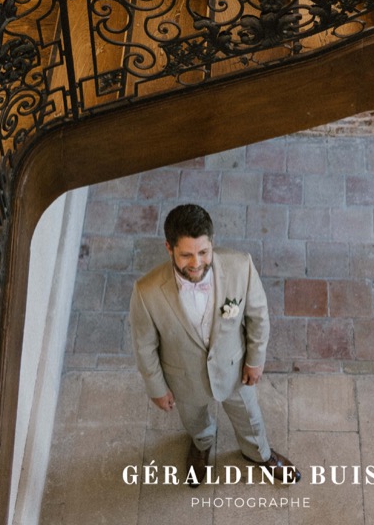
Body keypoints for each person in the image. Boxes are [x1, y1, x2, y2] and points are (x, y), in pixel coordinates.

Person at [129, 203, 300, 484]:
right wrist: (157, 387)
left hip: (235, 369)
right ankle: (201, 445)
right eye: (185, 255)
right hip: (183, 378)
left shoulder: (240, 266)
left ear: (212, 243)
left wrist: (255, 360)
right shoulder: (146, 292)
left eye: (203, 252)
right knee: (194, 419)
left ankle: (259, 453)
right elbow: (144, 346)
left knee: (250, 416)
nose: (196, 263)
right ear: (169, 248)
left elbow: (258, 316)